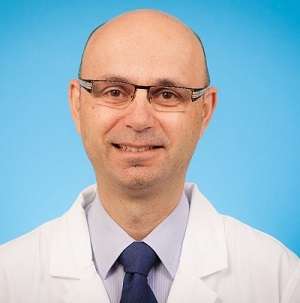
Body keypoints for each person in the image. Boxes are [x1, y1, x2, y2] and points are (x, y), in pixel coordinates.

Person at [0, 9, 299, 303]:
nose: (139, 119)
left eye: (167, 94)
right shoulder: (9, 279)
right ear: (77, 104)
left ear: (205, 110)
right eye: (114, 92)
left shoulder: (281, 280)